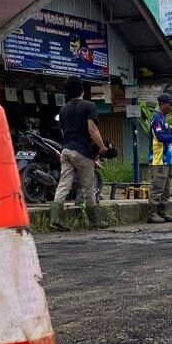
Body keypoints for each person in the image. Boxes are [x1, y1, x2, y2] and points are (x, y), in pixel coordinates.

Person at [50, 78, 108, 230]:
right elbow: (92, 129)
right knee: (88, 186)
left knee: (63, 184)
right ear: (82, 90)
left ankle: (54, 219)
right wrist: (102, 147)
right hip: (82, 151)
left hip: (66, 150)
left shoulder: (63, 109)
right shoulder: (89, 106)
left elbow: (63, 132)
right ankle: (95, 221)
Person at [147, 92, 172, 224]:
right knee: (158, 188)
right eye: (170, 104)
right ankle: (152, 214)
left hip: (167, 160)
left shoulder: (164, 119)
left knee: (166, 190)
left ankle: (161, 212)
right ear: (162, 104)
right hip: (159, 159)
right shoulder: (157, 119)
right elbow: (160, 137)